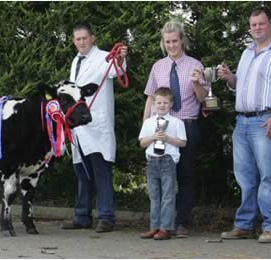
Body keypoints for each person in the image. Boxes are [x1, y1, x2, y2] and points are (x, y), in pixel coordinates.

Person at [218, 8, 271, 243]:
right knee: (245, 177)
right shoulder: (247, 52)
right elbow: (239, 85)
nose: (257, 28)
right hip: (241, 121)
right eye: (253, 25)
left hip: (266, 121)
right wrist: (230, 78)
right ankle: (244, 225)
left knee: (268, 177)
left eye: (261, 24)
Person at [142, 19, 209, 238]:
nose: (171, 45)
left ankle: (181, 223)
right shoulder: (158, 67)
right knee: (161, 179)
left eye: (175, 41)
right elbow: (150, 98)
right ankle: (161, 224)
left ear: (182, 41)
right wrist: (145, 126)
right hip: (160, 128)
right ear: (163, 43)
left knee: (185, 176)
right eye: (167, 41)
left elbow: (204, 99)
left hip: (186, 126)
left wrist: (198, 83)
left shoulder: (195, 65)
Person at [61, 23, 128, 232]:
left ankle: (106, 217)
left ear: (92, 38)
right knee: (81, 172)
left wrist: (121, 58)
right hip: (79, 126)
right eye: (77, 39)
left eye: (84, 38)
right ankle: (82, 215)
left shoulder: (104, 57)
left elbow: (117, 70)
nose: (81, 42)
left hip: (97, 125)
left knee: (101, 171)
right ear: (74, 42)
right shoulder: (75, 61)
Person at [139, 88, 187, 240]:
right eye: (159, 102)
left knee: (167, 195)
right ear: (153, 104)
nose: (162, 105)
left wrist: (168, 139)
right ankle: (154, 226)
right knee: (154, 196)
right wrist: (153, 137)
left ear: (171, 104)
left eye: (165, 103)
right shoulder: (148, 123)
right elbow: (142, 143)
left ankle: (165, 228)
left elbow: (182, 142)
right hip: (152, 160)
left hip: (167, 160)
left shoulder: (176, 122)